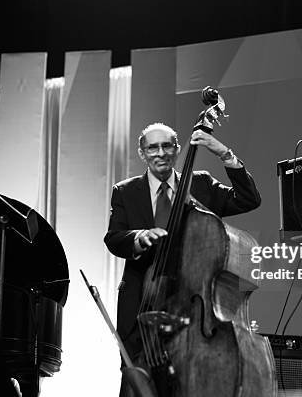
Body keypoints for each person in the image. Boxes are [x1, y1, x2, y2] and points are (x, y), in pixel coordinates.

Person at [104, 122, 261, 396]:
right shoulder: (125, 191)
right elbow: (114, 237)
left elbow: (248, 199)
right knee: (139, 386)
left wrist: (225, 154)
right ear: (142, 152)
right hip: (142, 303)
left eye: (167, 146)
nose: (160, 153)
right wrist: (139, 237)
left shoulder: (200, 184)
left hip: (193, 309)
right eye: (153, 147)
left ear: (177, 150)